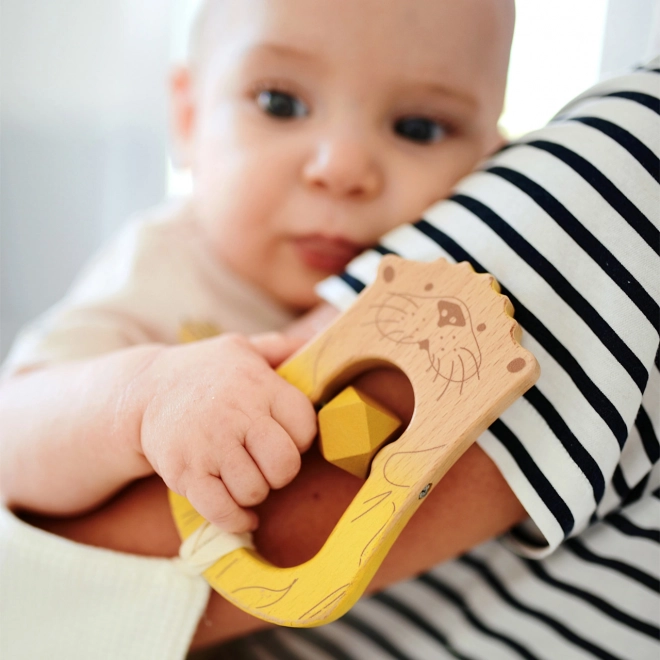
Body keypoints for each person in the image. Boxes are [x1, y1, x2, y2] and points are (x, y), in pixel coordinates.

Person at [0, 0, 518, 657]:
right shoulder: (163, 265)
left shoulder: (444, 297)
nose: (341, 168)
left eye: (418, 127)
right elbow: (11, 433)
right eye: (280, 104)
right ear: (188, 117)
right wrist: (143, 396)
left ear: (493, 159)